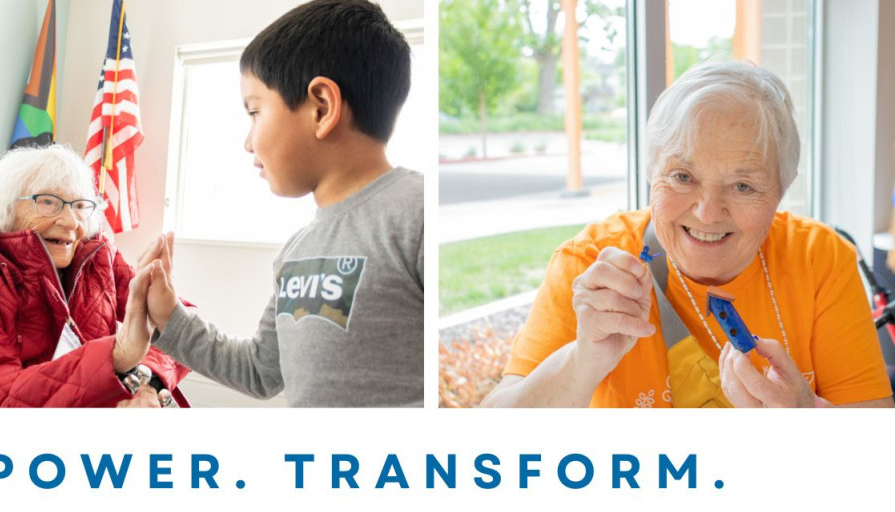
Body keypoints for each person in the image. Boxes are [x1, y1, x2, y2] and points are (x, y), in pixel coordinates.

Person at [482, 61, 894, 408]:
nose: (708, 212)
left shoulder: (820, 258)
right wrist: (583, 358)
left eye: (743, 186)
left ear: (782, 190)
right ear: (651, 172)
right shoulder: (590, 263)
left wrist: (809, 421)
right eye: (683, 176)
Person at [141, 0, 425, 407]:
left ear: (322, 108)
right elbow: (261, 371)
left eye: (255, 111)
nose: (247, 141)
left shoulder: (415, 214)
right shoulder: (296, 252)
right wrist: (168, 315)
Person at [0, 145, 189, 408]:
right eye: (48, 202)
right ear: (6, 209)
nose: (71, 221)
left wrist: (149, 384)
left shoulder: (98, 255)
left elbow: (183, 327)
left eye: (80, 205)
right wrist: (117, 355)